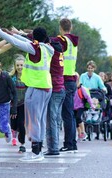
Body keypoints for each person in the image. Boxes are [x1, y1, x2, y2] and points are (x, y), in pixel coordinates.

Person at [0, 25, 54, 161]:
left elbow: (16, 42)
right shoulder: (48, 48)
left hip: (36, 88)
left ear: (34, 37)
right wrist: (10, 32)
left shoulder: (34, 49)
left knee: (33, 120)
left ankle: (35, 152)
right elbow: (23, 40)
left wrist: (0, 32)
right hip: (46, 87)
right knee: (40, 120)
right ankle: (39, 150)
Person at [50, 18, 79, 153]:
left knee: (66, 114)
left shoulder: (63, 39)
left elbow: (47, 40)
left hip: (65, 79)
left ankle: (68, 143)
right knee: (70, 114)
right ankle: (72, 143)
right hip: (72, 79)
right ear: (71, 27)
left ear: (61, 28)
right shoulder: (73, 42)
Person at [44, 37, 66, 156]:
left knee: (51, 120)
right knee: (56, 120)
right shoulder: (59, 51)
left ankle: (53, 148)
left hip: (55, 89)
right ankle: (55, 146)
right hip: (61, 89)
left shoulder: (52, 54)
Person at [9, 54, 27, 153]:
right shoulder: (12, 78)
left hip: (24, 104)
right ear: (15, 67)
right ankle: (13, 133)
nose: (20, 67)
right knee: (14, 124)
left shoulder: (28, 77)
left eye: (21, 65)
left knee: (21, 123)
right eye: (18, 65)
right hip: (13, 104)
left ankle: (22, 144)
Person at [73, 72, 95, 141]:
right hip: (73, 107)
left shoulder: (81, 88)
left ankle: (83, 132)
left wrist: (92, 105)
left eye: (76, 78)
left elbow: (88, 97)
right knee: (75, 121)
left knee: (78, 117)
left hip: (80, 106)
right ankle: (79, 134)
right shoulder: (71, 87)